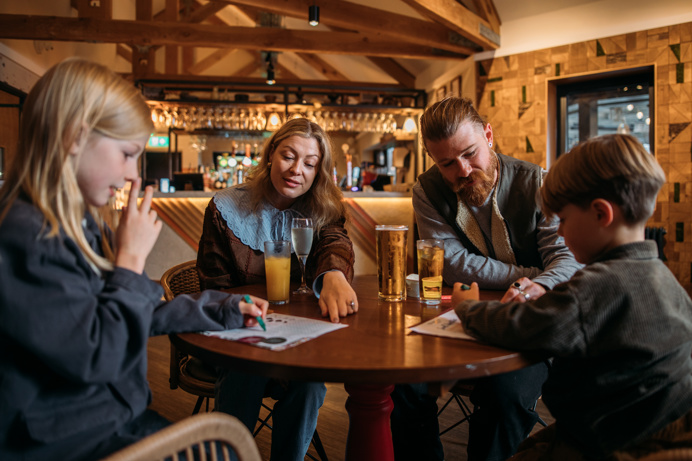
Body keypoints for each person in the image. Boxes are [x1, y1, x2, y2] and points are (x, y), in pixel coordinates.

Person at [0, 58, 269, 461]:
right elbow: (96, 359)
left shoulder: (81, 226)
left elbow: (141, 311)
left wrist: (224, 308)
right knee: (229, 450)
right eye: (127, 154)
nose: (131, 175)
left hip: (109, 420)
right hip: (65, 441)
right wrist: (128, 259)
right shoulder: (27, 236)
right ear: (75, 137)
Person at [452, 133, 692, 460]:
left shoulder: (595, 287)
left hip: (612, 442)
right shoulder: (666, 278)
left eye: (563, 220)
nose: (560, 233)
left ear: (600, 214)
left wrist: (470, 309)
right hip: (659, 426)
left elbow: (522, 325)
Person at [391, 96, 582, 461]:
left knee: (503, 394)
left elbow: (565, 260)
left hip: (525, 321)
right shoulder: (427, 191)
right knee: (404, 384)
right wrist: (529, 274)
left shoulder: (537, 183)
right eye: (447, 163)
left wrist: (540, 285)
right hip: (456, 319)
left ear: (489, 136)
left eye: (469, 153)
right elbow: (451, 265)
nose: (462, 170)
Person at [197, 117, 357, 461]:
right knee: (247, 371)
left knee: (310, 382)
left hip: (297, 339)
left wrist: (333, 273)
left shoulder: (323, 210)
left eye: (310, 163)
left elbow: (336, 244)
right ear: (270, 154)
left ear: (318, 172)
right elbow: (213, 285)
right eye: (288, 156)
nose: (296, 169)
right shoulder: (225, 207)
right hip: (238, 336)